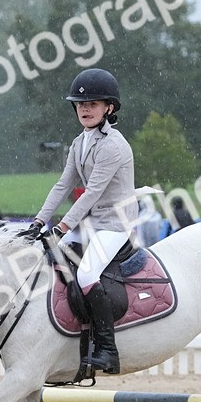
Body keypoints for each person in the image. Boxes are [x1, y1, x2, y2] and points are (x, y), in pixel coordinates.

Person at [20, 68, 136, 374]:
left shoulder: (113, 145)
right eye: (81, 104)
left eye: (93, 104)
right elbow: (63, 185)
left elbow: (92, 192)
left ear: (109, 108)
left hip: (115, 224)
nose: (85, 109)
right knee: (53, 263)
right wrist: (38, 221)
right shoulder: (79, 142)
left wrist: (61, 227)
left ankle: (108, 350)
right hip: (93, 223)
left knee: (85, 275)